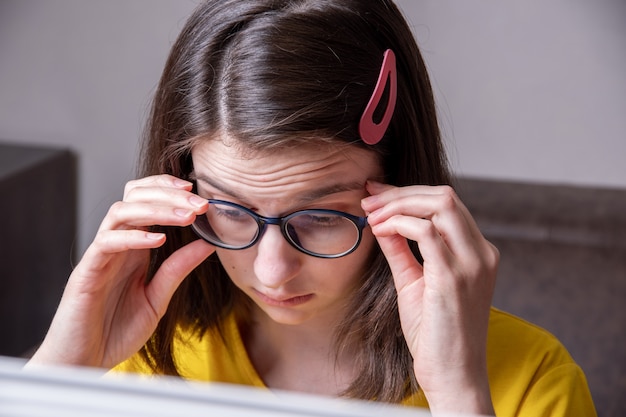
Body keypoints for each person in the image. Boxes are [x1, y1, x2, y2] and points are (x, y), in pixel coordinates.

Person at [28, 0, 596, 415]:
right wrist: (61, 377)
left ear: (401, 189)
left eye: (321, 218)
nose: (272, 270)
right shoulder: (134, 357)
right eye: (229, 209)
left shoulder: (531, 381)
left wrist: (458, 395)